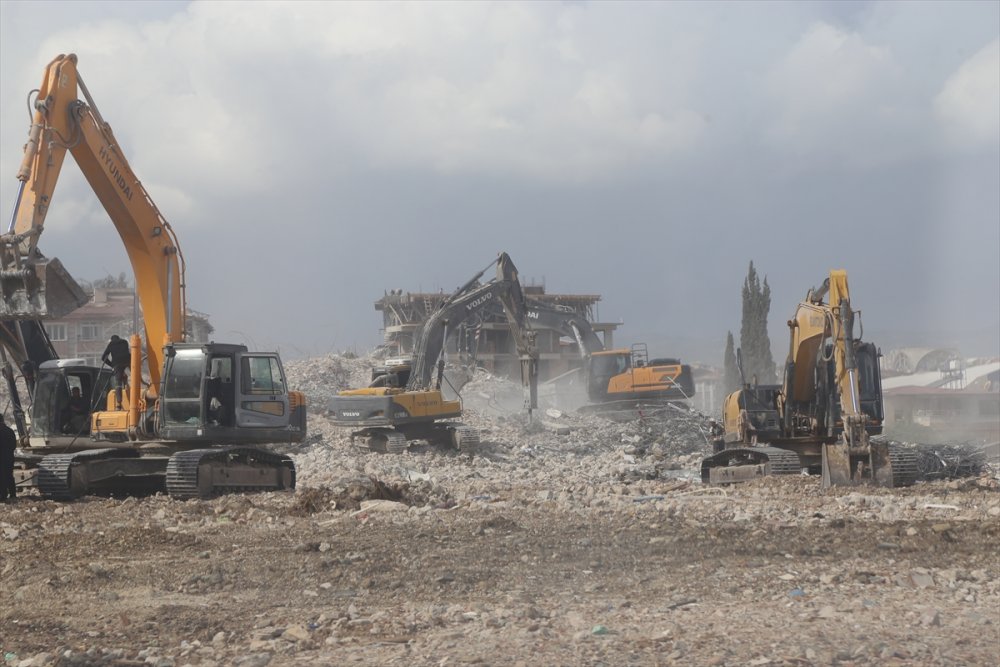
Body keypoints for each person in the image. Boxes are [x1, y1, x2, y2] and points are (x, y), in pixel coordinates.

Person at [101, 334, 131, 409]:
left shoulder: (111, 344)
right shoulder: (125, 342)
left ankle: (119, 403)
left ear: (112, 340)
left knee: (118, 383)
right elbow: (127, 352)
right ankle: (128, 385)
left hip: (117, 364)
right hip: (128, 361)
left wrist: (112, 365)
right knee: (132, 376)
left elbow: (103, 357)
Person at [0, 414, 17, 502]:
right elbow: (14, 445)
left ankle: (3, 495)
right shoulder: (10, 431)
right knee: (9, 475)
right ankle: (13, 494)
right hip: (9, 457)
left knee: (1, 477)